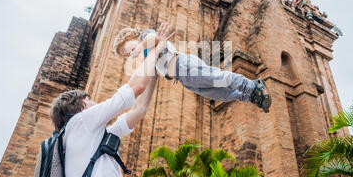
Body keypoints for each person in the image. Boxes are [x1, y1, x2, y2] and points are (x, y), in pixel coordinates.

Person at [48, 23, 174, 177]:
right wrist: (157, 48)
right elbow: (136, 86)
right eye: (89, 100)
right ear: (81, 107)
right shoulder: (80, 122)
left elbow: (139, 111)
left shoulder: (94, 136)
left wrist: (153, 71)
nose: (95, 102)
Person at [113, 24, 272, 112]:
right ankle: (249, 97)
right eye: (125, 55)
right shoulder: (149, 56)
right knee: (219, 94)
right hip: (183, 79)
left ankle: (253, 86)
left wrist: (139, 47)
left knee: (217, 79)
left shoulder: (143, 37)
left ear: (129, 37)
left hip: (184, 65)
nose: (128, 54)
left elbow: (152, 37)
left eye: (126, 49)